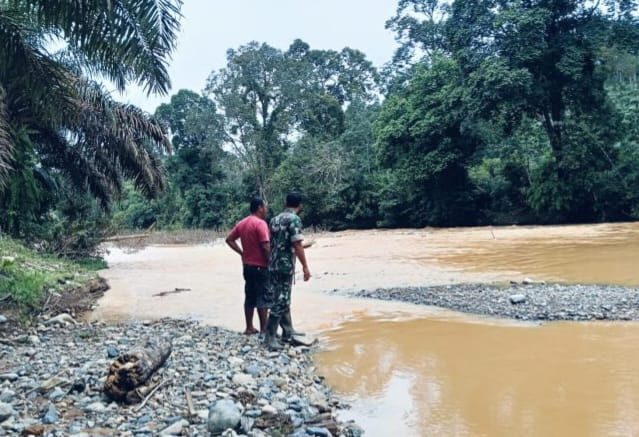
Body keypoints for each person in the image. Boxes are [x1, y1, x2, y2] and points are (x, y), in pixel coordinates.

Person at [264, 192, 311, 350]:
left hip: (273, 264)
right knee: (281, 300)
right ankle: (270, 336)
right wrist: (305, 266)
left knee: (282, 297)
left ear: (285, 202)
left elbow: (276, 243)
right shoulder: (294, 219)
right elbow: (297, 245)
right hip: (285, 266)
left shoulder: (274, 219)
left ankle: (288, 331)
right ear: (300, 205)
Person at [225, 198, 271, 335]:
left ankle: (249, 327)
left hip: (247, 266)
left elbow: (229, 239)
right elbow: (265, 246)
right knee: (262, 296)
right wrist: (270, 262)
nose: (266, 210)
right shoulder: (260, 224)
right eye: (265, 207)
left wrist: (242, 253)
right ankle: (264, 329)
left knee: (250, 295)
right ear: (260, 208)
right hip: (260, 266)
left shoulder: (242, 223)